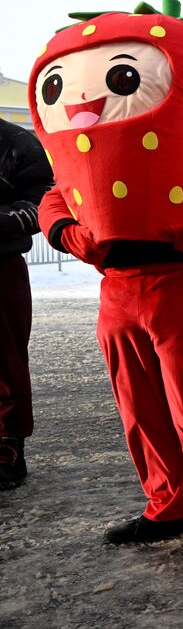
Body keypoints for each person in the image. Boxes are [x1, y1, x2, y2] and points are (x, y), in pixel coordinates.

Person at [33, 0, 183, 560]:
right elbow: (56, 193)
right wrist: (65, 233)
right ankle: (167, 504)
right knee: (138, 405)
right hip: (117, 284)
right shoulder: (83, 139)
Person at [0, 119, 53, 490]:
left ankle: (8, 446)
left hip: (0, 264)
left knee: (5, 360)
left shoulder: (15, 140)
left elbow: (45, 197)